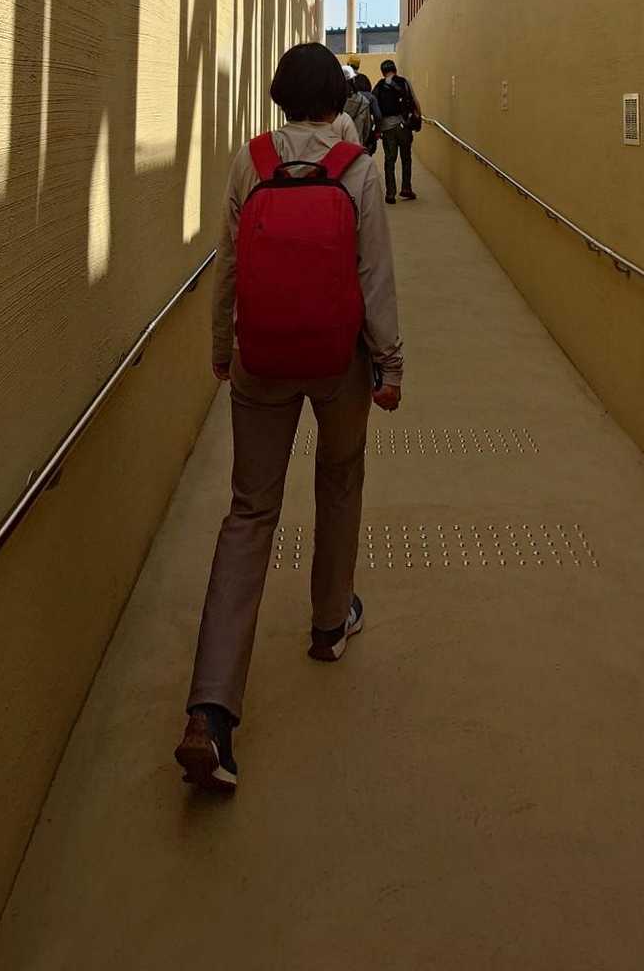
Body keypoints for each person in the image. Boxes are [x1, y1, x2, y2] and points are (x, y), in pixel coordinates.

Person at [175, 41, 403, 794]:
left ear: (278, 98)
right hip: (338, 363)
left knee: (249, 513)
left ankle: (210, 713)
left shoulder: (251, 162)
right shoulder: (357, 169)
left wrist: (222, 349)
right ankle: (330, 624)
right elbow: (374, 275)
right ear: (336, 102)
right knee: (339, 478)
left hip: (262, 362)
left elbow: (229, 266)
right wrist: (390, 365)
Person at [372, 58, 422, 204]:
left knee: (389, 160)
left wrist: (378, 128)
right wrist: (418, 117)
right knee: (406, 158)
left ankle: (390, 194)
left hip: (387, 128)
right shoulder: (404, 82)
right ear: (395, 69)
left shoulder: (379, 86)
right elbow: (414, 101)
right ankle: (406, 188)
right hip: (404, 126)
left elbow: (375, 109)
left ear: (383, 72)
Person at [344, 70, 378, 154]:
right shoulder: (365, 101)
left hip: (341, 147)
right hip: (358, 145)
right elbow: (367, 127)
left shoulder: (337, 102)